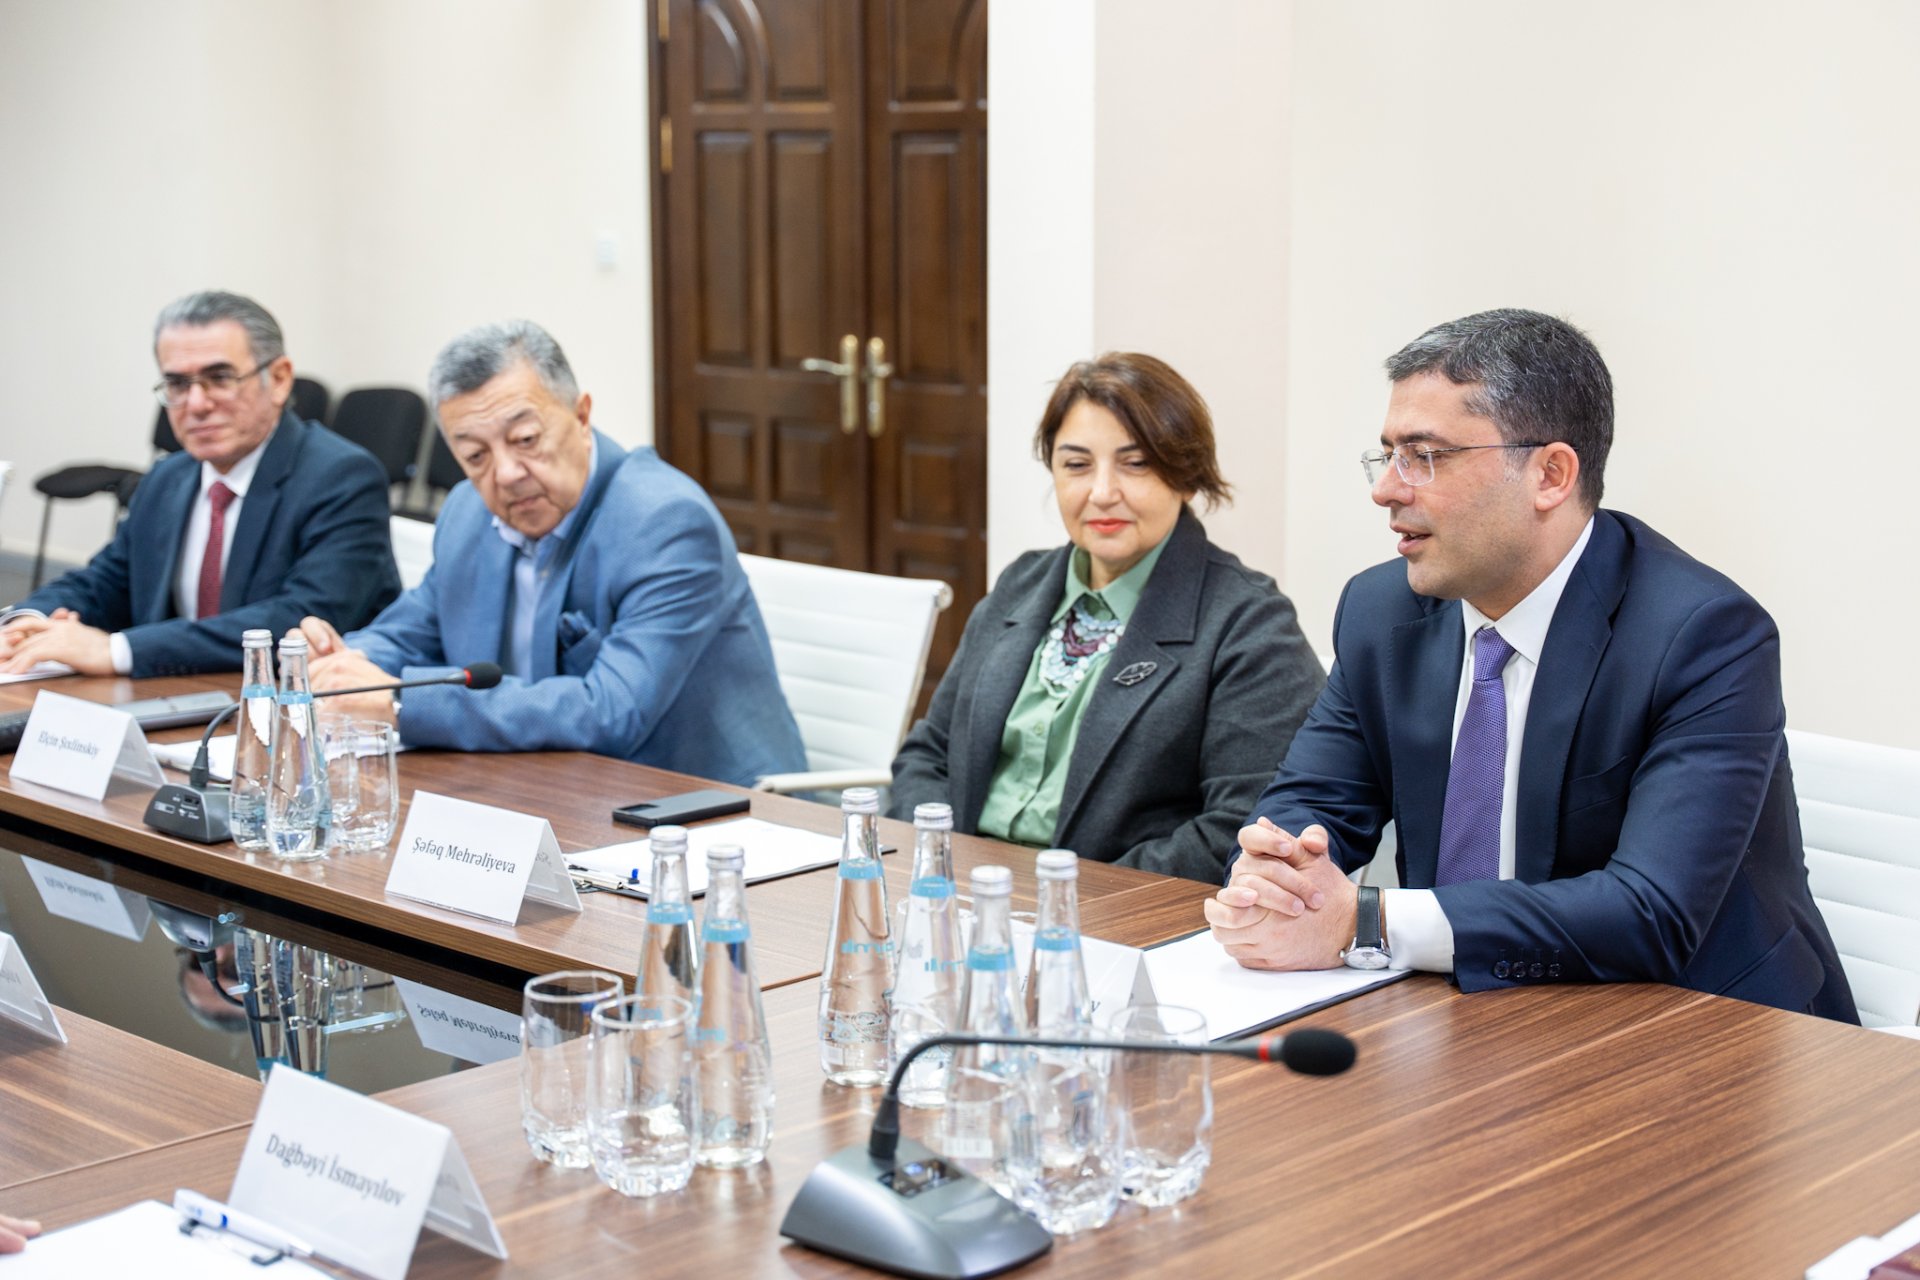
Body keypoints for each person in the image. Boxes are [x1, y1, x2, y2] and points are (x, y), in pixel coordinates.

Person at [1206, 309, 1856, 1021]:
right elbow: (1314, 800)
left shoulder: (1702, 635)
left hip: (1700, 1025)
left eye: (1424, 456)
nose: (1386, 489)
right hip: (1468, 1012)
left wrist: (1367, 921)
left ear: (1550, 473)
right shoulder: (1381, 609)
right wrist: (1275, 872)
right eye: (1387, 453)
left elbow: (1651, 911)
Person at [297, 320, 804, 787]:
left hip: (705, 812)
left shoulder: (665, 523)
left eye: (525, 439)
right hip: (544, 788)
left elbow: (611, 710)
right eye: (475, 456)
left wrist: (399, 700)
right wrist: (341, 667)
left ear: (581, 416)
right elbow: (411, 630)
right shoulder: (468, 513)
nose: (507, 474)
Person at [889, 353, 1324, 881]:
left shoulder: (1248, 622)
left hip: (1113, 922)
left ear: (1186, 475)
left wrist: (1067, 900)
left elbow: (1241, 830)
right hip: (963, 897)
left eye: (1135, 463)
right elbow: (929, 754)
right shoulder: (1020, 584)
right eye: (1076, 465)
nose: (1101, 493)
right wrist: (943, 869)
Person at [0, 291, 400, 677]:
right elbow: (107, 581)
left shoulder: (342, 477)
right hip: (174, 704)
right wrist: (26, 623)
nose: (196, 404)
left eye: (219, 377)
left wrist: (117, 650)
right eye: (177, 384)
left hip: (297, 714)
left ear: (279, 379)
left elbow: (300, 620)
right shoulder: (168, 477)